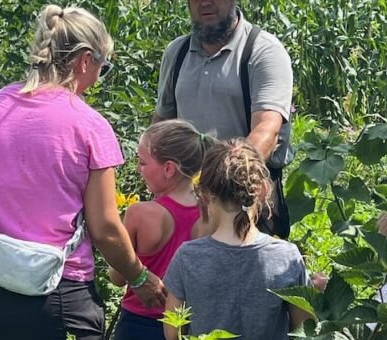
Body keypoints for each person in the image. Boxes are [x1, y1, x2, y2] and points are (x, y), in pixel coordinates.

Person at [0, 5, 165, 340]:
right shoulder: (89, 126)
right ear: (85, 60)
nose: (99, 78)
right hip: (60, 295)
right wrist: (140, 278)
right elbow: (104, 229)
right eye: (104, 67)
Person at [153, 0, 294, 239]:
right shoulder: (177, 52)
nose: (205, 3)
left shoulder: (262, 50)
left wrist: (223, 187)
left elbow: (266, 131)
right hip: (184, 203)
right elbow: (161, 124)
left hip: (245, 203)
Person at [163, 138, 311, 339]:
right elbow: (305, 331)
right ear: (264, 189)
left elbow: (172, 334)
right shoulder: (286, 257)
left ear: (204, 194)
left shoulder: (188, 257)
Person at [109, 120, 214, 340]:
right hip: (188, 325)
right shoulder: (212, 213)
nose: (138, 169)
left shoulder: (140, 213)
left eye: (143, 162)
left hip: (139, 324)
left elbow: (117, 277)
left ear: (168, 168)